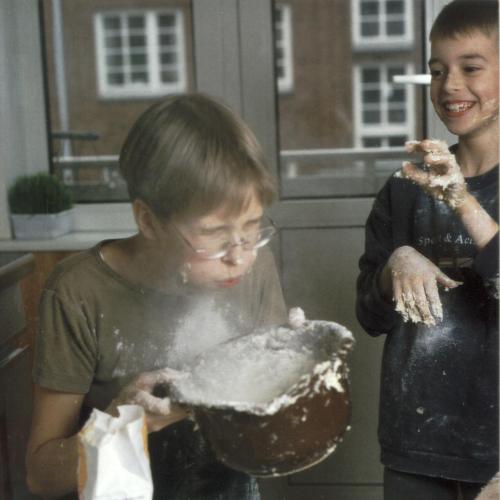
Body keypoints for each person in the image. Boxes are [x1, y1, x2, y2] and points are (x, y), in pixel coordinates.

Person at [26, 93, 287, 499]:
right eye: (213, 235)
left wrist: (295, 373)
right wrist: (123, 423)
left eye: (252, 227)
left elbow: (275, 423)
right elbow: (41, 476)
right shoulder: (78, 292)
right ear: (148, 219)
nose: (239, 257)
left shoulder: (254, 268)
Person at [355, 1, 499, 499]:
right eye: (438, 71)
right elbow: (369, 316)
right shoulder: (405, 188)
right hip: (416, 444)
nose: (450, 85)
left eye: (471, 68)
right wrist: (394, 264)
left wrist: (463, 202)